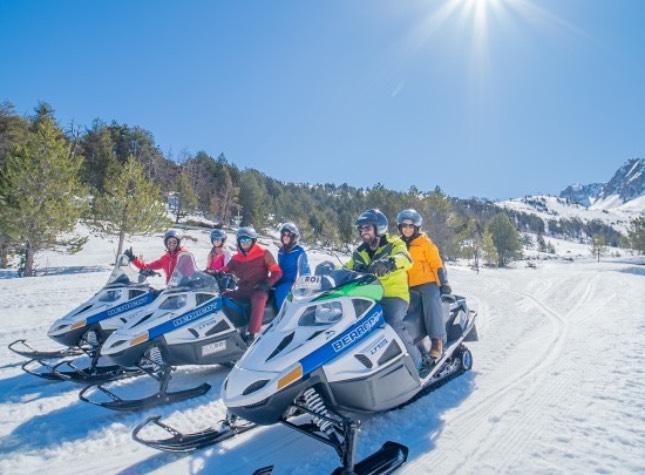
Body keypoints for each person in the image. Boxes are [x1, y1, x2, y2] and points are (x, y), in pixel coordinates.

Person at [344, 209, 422, 371]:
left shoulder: (394, 244)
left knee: (392, 321)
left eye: (367, 228)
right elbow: (346, 268)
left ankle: (417, 362)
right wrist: (329, 270)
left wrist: (389, 263)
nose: (363, 232)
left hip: (392, 295)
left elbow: (406, 259)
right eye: (361, 229)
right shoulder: (360, 252)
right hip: (367, 297)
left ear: (379, 228)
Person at [397, 209, 452, 362]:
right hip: (406, 286)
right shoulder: (397, 244)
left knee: (432, 300)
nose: (407, 229)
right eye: (404, 225)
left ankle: (436, 341)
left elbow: (436, 264)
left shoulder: (424, 243)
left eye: (410, 226)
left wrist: (444, 283)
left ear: (416, 227)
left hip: (426, 282)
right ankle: (412, 343)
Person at [221, 226, 283, 343]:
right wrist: (215, 272)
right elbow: (225, 269)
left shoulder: (264, 253)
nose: (244, 243)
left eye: (247, 240)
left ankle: (252, 335)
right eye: (242, 240)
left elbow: (277, 272)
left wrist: (267, 283)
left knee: (258, 299)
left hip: (259, 288)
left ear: (253, 241)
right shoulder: (236, 258)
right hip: (242, 289)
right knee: (223, 296)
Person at [274, 222, 311, 310]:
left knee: (281, 292)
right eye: (284, 234)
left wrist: (306, 287)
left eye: (288, 235)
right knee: (267, 289)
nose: (285, 237)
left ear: (294, 237)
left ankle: (284, 315)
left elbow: (305, 270)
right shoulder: (281, 251)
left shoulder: (299, 251)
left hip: (294, 282)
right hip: (281, 279)